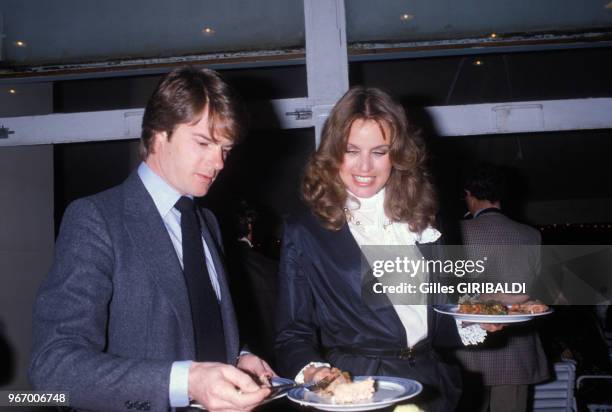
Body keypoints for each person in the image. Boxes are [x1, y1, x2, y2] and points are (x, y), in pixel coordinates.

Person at [29, 67, 273, 412]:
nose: (218, 162)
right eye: (203, 142)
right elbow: (53, 368)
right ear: (159, 134)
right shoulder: (96, 218)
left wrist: (239, 358)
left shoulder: (207, 222)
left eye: (226, 149)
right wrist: (185, 383)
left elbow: (198, 326)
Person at [275, 86, 495, 411]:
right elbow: (292, 333)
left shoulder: (425, 217)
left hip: (431, 386)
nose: (365, 166)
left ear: (398, 154)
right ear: (334, 152)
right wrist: (313, 370)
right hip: (358, 389)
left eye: (379, 151)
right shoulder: (305, 230)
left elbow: (433, 318)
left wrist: (481, 316)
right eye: (352, 150)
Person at [455, 163, 549, 412]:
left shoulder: (457, 233)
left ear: (468, 194)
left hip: (468, 355)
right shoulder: (531, 235)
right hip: (517, 353)